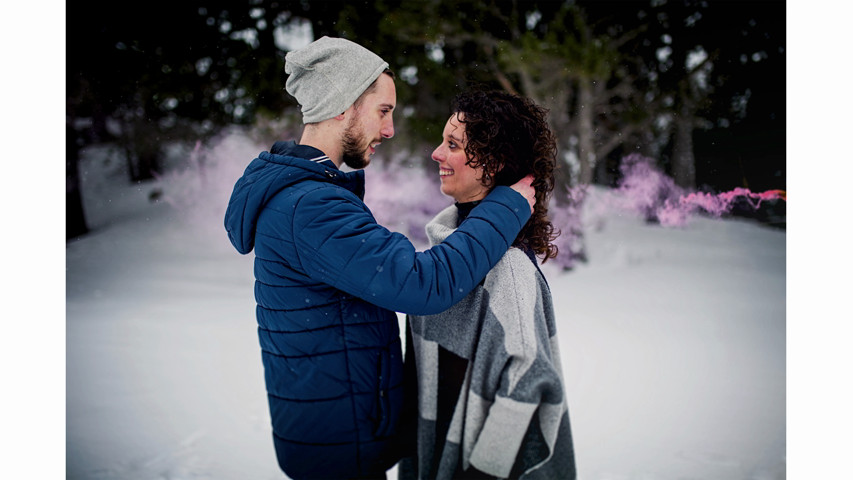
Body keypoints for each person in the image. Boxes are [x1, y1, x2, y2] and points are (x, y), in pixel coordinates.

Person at [223, 37, 537, 480]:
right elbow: (423, 284)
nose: (389, 130)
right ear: (342, 105)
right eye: (383, 111)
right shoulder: (309, 208)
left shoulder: (306, 197)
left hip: (336, 440)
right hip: (338, 455)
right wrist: (506, 207)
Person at [401, 90, 577, 479]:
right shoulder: (446, 255)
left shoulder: (508, 270)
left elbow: (529, 382)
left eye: (453, 145)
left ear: (493, 164)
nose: (436, 154)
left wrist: (481, 472)